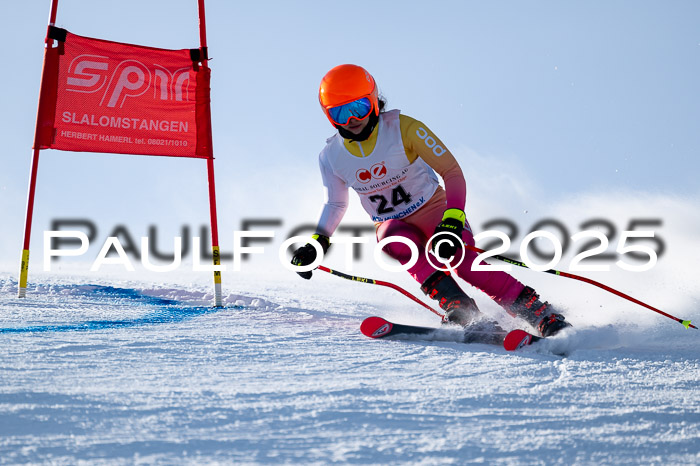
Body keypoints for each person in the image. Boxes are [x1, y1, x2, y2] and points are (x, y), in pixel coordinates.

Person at [291, 64, 570, 340]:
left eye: (359, 107)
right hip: (393, 223)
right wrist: (318, 242)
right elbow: (336, 205)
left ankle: (540, 314)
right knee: (391, 238)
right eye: (340, 113)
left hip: (434, 210)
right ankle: (461, 309)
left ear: (374, 101)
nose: (352, 119)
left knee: (462, 261)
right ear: (329, 117)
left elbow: (451, 172)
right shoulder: (331, 157)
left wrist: (453, 219)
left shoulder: (404, 128)